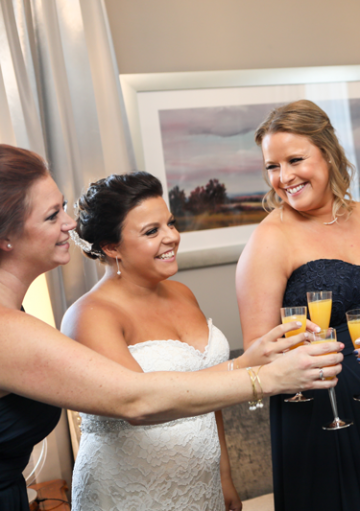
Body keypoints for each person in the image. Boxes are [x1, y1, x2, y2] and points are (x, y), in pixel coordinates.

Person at [0, 145, 343, 511]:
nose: (69, 225)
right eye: (53, 215)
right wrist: (267, 378)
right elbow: (136, 399)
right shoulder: (31, 324)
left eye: (64, 208)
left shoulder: (16, 314)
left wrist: (249, 362)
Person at [236, 99, 360, 511]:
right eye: (272, 166)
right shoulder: (271, 239)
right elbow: (257, 353)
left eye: (295, 160)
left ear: (329, 152)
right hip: (322, 406)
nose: (283, 177)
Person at [62, 172, 273, 510]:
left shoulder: (181, 293)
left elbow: (208, 398)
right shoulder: (89, 316)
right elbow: (141, 405)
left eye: (171, 224)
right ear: (110, 246)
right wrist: (246, 368)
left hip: (200, 484)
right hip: (132, 489)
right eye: (152, 231)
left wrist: (224, 475)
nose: (172, 237)